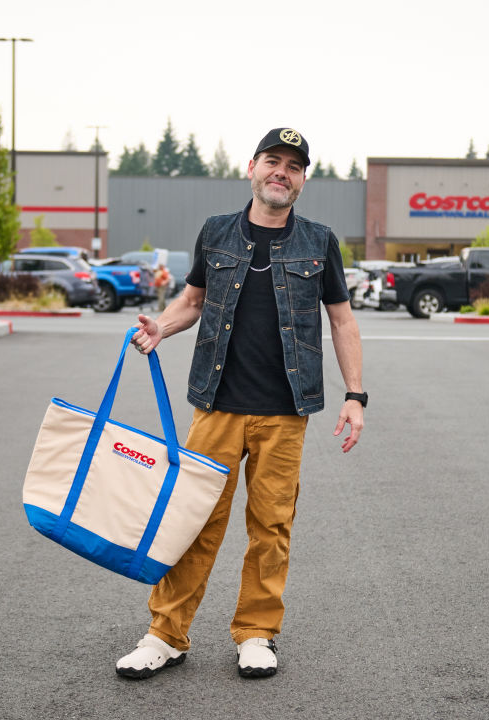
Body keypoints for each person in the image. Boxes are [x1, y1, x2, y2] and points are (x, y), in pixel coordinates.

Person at [118, 128, 365, 680]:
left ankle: (256, 633)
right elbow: (194, 302)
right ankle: (165, 634)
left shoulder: (319, 242)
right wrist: (163, 326)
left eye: (293, 167)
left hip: (284, 412)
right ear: (252, 167)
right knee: (192, 521)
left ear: (303, 180)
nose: (282, 173)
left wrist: (355, 396)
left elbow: (342, 319)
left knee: (271, 527)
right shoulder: (217, 233)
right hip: (217, 406)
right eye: (273, 161)